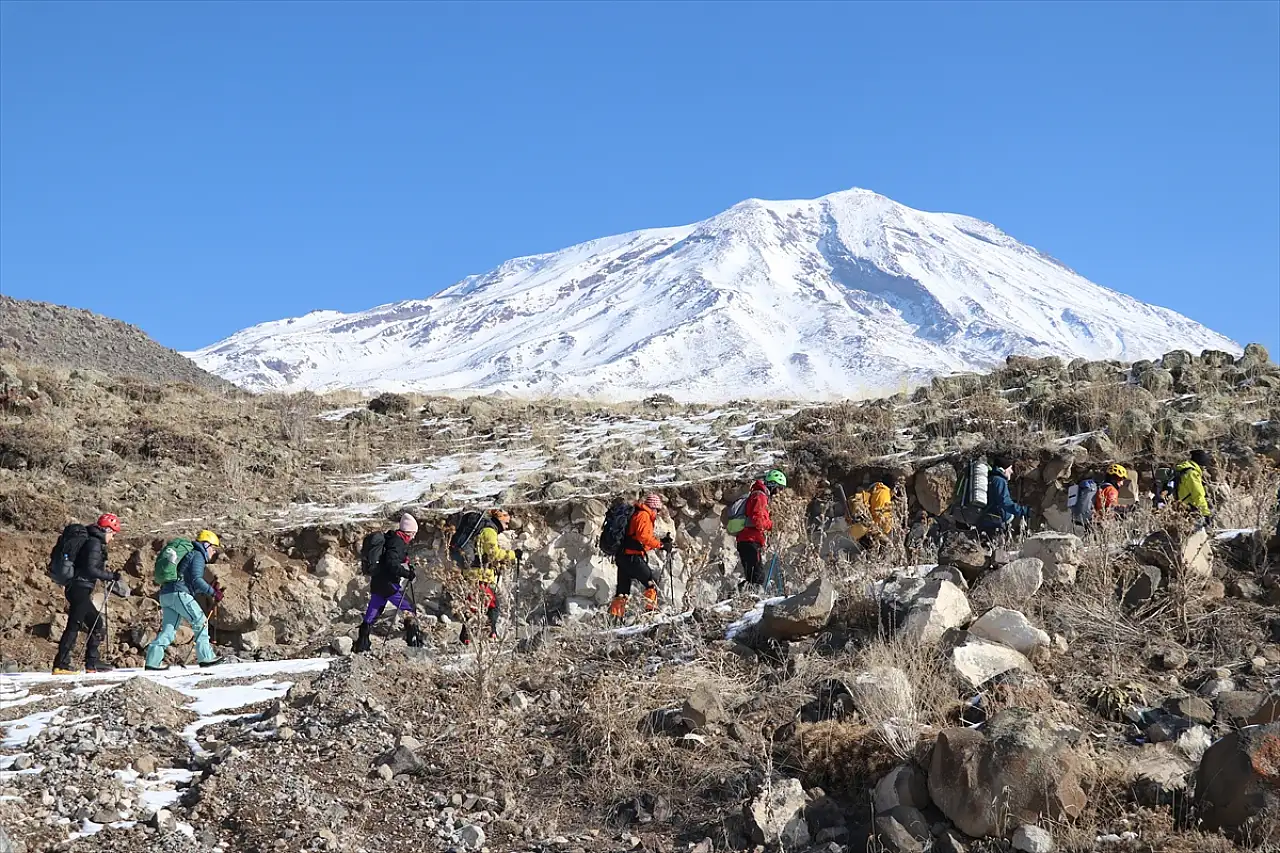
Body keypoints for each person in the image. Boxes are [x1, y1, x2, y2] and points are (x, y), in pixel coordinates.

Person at [145, 530, 225, 670]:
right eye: (213, 547)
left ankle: (152, 661)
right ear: (206, 545)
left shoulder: (189, 554)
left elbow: (190, 581)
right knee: (200, 622)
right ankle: (206, 658)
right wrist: (213, 592)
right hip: (179, 594)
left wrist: (209, 589)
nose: (214, 552)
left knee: (168, 630)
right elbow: (196, 579)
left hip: (166, 594)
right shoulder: (198, 554)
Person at [53, 514, 122, 675]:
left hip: (78, 588)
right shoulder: (94, 543)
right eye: (113, 534)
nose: (112, 538)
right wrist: (111, 576)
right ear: (106, 530)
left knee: (96, 624)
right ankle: (61, 665)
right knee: (74, 626)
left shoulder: (91, 541)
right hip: (80, 588)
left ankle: (92, 663)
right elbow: (90, 569)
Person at [354, 514, 421, 653]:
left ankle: (361, 645)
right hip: (389, 585)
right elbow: (392, 564)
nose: (413, 537)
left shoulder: (391, 538)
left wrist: (407, 565)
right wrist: (407, 573)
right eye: (413, 534)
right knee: (409, 609)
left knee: (372, 613)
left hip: (378, 583)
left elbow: (391, 560)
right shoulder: (397, 542)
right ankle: (414, 644)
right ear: (408, 532)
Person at [454, 509, 517, 645]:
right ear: (500, 519)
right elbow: (493, 553)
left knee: (478, 605)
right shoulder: (489, 530)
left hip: (474, 573)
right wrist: (512, 555)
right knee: (491, 605)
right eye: (506, 523)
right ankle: (488, 634)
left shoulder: (486, 528)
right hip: (479, 575)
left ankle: (471, 636)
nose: (507, 526)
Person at [608, 494, 671, 618]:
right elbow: (643, 537)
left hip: (623, 556)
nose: (657, 513)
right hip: (632, 558)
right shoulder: (644, 515)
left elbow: (638, 541)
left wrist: (661, 542)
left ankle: (615, 618)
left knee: (622, 591)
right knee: (651, 584)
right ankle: (650, 613)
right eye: (657, 510)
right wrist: (661, 545)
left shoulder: (637, 514)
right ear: (654, 508)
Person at [736, 469, 786, 588]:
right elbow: (758, 520)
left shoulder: (760, 495)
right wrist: (772, 525)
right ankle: (742, 599)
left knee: (754, 576)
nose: (779, 492)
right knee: (757, 577)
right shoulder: (760, 496)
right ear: (773, 485)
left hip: (748, 539)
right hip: (749, 540)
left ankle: (740, 598)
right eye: (779, 488)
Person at [977, 459, 1029, 537]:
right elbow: (1005, 503)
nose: (1012, 471)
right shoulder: (999, 481)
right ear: (1004, 468)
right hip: (994, 521)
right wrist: (1024, 511)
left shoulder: (991, 479)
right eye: (1010, 468)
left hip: (984, 519)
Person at [1173, 449, 1214, 521]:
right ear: (1201, 464)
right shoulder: (1192, 474)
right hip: (1189, 511)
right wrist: (1206, 514)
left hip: (1179, 508)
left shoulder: (1184, 470)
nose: (1205, 469)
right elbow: (1198, 495)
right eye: (1204, 466)